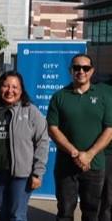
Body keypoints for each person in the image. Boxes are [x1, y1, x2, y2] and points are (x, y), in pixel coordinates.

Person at [47, 53, 112, 221]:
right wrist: (75, 153)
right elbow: (53, 129)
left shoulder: (104, 96)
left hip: (95, 165)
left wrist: (89, 155)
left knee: (92, 213)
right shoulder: (59, 97)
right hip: (66, 166)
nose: (81, 71)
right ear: (70, 70)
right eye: (77, 67)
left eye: (85, 68)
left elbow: (109, 130)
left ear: (92, 71)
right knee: (65, 212)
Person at [0, 71, 49, 221]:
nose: (10, 91)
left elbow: (42, 141)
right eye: (6, 86)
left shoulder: (31, 111)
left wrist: (37, 173)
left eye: (14, 87)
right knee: (2, 213)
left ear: (21, 90)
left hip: (21, 175)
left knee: (17, 215)